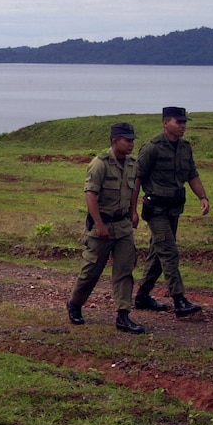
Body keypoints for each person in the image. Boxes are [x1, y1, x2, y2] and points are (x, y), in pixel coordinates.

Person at [66, 122, 145, 333]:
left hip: (123, 226)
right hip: (102, 227)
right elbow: (90, 195)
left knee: (124, 270)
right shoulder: (99, 164)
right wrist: (99, 224)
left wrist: (133, 211)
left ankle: (123, 315)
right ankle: (74, 304)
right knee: (91, 271)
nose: (131, 144)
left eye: (132, 140)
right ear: (114, 141)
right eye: (127, 140)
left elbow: (134, 188)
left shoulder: (132, 164)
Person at [131, 106, 209, 317]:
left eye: (184, 122)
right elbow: (136, 179)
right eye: (178, 121)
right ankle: (179, 299)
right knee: (169, 252)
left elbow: (192, 174)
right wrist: (133, 210)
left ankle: (142, 296)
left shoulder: (185, 148)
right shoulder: (152, 148)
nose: (183, 125)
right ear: (166, 122)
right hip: (155, 209)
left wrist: (202, 197)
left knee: (158, 253)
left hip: (174, 208)